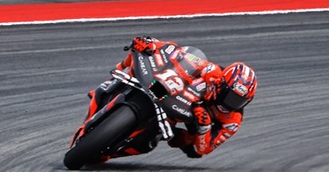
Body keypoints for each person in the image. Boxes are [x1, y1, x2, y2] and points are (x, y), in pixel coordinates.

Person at [81, 36, 257, 159]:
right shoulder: (211, 72)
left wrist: (203, 129)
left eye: (239, 101)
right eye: (230, 96)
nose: (231, 103)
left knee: (155, 143)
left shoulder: (232, 120)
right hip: (169, 93)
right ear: (222, 84)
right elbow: (174, 52)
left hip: (180, 118)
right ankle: (115, 79)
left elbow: (203, 150)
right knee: (129, 63)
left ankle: (111, 151)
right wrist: (151, 45)